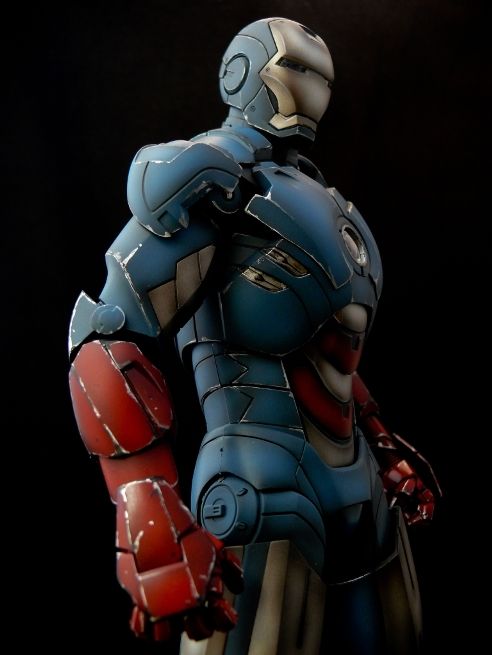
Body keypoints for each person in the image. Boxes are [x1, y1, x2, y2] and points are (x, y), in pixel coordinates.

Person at [68, 17, 440, 655]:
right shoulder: (208, 177)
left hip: (362, 489)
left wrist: (381, 440)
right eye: (295, 67)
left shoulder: (322, 200)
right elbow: (107, 333)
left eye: (320, 74)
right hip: (262, 483)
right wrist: (145, 501)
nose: (312, 85)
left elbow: (331, 355)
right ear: (242, 73)